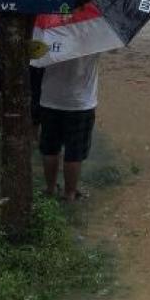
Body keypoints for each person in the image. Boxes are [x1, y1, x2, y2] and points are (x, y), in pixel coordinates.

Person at [39, 54, 100, 202]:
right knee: (75, 152)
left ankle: (50, 188)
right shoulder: (94, 33)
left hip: (50, 99)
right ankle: (69, 193)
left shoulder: (49, 33)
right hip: (80, 103)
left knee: (50, 149)